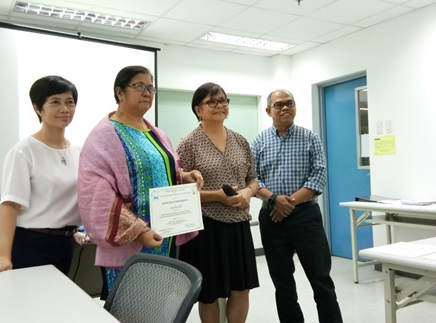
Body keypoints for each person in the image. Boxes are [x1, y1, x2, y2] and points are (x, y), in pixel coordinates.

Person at [77, 65, 203, 297]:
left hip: (162, 237)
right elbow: (97, 194)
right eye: (139, 86)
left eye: (151, 87)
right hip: (128, 244)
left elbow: (164, 171)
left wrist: (186, 176)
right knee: (130, 308)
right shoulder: (104, 135)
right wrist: (139, 231)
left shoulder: (156, 133)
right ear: (120, 92)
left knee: (157, 305)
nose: (147, 92)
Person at [0, 75, 86, 277]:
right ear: (37, 108)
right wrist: (2, 256)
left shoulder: (79, 151)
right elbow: (9, 206)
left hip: (66, 243)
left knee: (57, 302)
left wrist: (74, 231)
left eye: (70, 102)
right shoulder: (24, 152)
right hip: (32, 245)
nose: (65, 109)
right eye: (55, 102)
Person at [250, 89, 343, 323]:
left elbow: (318, 175)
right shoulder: (259, 141)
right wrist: (274, 200)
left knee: (321, 281)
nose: (285, 108)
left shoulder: (310, 137)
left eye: (289, 103)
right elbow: (251, 179)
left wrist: (288, 203)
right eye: (279, 104)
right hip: (272, 219)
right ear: (268, 110)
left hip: (306, 217)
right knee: (283, 284)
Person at [177, 82, 259, 323]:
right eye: (211, 101)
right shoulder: (189, 142)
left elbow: (253, 179)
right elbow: (180, 192)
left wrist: (247, 193)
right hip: (205, 228)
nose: (219, 105)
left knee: (241, 288)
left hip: (238, 226)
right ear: (198, 110)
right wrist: (217, 196)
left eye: (223, 100)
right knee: (209, 294)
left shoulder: (240, 141)